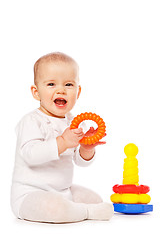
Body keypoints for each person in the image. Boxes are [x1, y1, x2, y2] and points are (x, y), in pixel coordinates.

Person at [11, 52, 114, 223]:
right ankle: (85, 212)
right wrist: (63, 142)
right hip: (28, 194)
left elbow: (80, 162)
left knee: (95, 199)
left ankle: (79, 209)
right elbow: (30, 155)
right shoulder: (31, 121)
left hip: (62, 190)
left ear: (78, 91)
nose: (61, 90)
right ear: (36, 92)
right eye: (51, 84)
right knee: (56, 209)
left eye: (68, 84)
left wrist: (86, 149)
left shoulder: (74, 123)